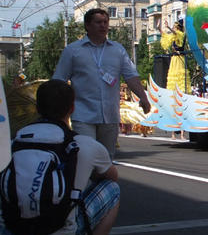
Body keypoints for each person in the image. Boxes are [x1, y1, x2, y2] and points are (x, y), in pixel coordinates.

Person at [0, 79, 120, 235]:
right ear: (72, 108)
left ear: (37, 108)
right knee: (113, 190)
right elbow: (112, 176)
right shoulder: (85, 145)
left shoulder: (15, 143)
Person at [53, 8, 151, 158]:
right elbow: (59, 80)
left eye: (105, 22)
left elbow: (131, 76)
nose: (103, 26)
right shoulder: (73, 50)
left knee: (106, 158)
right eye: (98, 22)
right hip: (83, 114)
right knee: (85, 156)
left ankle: (104, 182)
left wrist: (143, 97)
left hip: (110, 115)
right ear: (87, 25)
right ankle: (85, 182)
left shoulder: (117, 50)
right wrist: (60, 111)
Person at [160, 17, 188, 140]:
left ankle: (181, 134)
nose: (174, 29)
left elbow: (176, 34)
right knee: (172, 77)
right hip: (174, 59)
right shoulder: (175, 36)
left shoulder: (181, 34)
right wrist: (159, 29)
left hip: (179, 58)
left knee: (180, 76)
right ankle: (173, 134)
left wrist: (169, 27)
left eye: (176, 27)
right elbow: (167, 36)